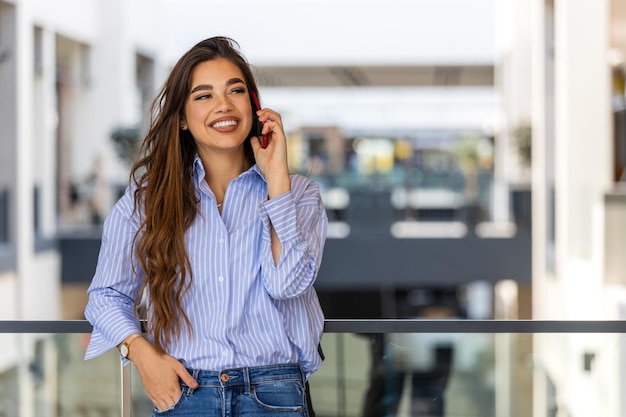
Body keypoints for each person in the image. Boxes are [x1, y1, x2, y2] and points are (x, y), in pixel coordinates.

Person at [84, 36, 328, 416]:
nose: (224, 105)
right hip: (184, 392)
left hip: (274, 394)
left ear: (255, 106)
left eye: (236, 91)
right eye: (204, 96)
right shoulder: (146, 200)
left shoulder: (300, 195)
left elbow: (287, 284)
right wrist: (143, 355)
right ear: (181, 118)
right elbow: (105, 296)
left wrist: (277, 178)